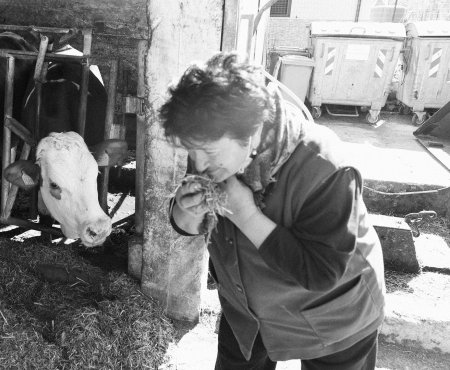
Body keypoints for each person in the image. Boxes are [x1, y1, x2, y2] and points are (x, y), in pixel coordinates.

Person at [160, 52, 385, 370]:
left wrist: (246, 215)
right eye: (190, 152)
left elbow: (322, 273)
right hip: (248, 313)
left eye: (206, 152)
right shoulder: (211, 146)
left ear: (250, 132)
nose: (197, 165)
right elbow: (185, 222)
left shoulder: (327, 168)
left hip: (333, 316)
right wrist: (186, 210)